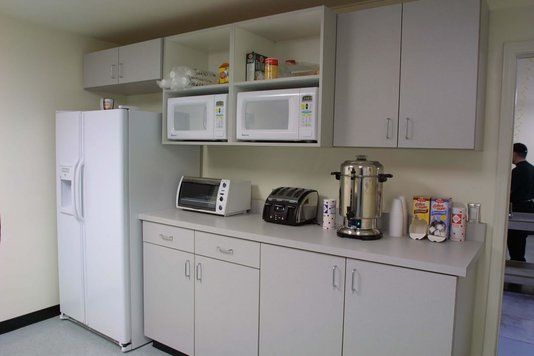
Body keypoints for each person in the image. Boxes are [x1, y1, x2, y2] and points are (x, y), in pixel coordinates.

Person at [507, 143, 534, 261]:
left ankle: (517, 267)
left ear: (514, 153)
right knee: (521, 240)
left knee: (514, 242)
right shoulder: (532, 168)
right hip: (529, 208)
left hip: (517, 209)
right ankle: (519, 263)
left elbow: (509, 192)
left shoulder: (517, 172)